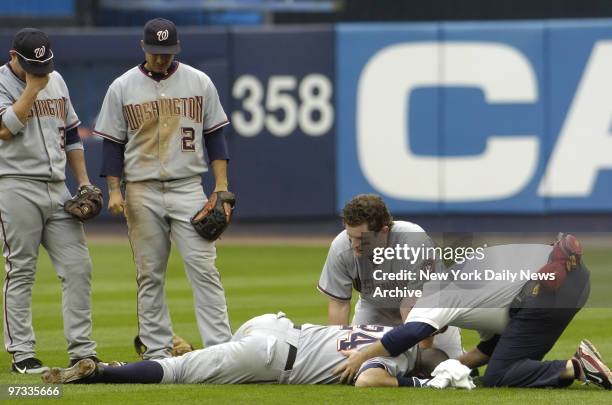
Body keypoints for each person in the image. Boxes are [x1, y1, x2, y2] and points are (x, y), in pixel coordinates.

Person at [93, 18, 232, 359]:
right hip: (141, 189)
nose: (161, 59)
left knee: (204, 267)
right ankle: (157, 350)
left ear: (177, 49)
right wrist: (114, 190)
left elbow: (215, 137)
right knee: (149, 273)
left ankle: (222, 348)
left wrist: (221, 188)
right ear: (143, 47)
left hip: (188, 187)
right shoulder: (122, 86)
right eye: (156, 52)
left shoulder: (199, 81)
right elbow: (112, 144)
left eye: (167, 52)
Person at [334, 236, 612, 390]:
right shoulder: (462, 287)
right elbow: (492, 346)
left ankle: (576, 367)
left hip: (547, 292)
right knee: (509, 363)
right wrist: (453, 368)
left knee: (499, 376)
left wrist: (363, 355)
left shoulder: (434, 294)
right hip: (574, 280)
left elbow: (412, 333)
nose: (411, 317)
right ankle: (572, 368)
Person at [0, 28, 100, 373]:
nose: (40, 70)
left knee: (78, 267)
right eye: (32, 64)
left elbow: (71, 133)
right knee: (21, 270)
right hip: (14, 184)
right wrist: (31, 88)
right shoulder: (3, 82)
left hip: (58, 186)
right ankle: (22, 354)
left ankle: (82, 351)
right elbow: (5, 128)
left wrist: (84, 182)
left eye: (44, 64)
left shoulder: (55, 79)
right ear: (14, 57)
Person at [42, 312, 449, 388]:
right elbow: (370, 382)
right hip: (273, 355)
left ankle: (199, 352)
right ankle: (103, 371)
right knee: (179, 372)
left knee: (207, 363)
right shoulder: (393, 359)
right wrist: (417, 385)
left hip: (271, 326)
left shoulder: (388, 332)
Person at [318, 194, 463, 359]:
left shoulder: (415, 242)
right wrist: (336, 354)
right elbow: (339, 305)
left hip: (431, 312)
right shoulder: (341, 247)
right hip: (375, 309)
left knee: (448, 369)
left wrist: (421, 360)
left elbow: (420, 309)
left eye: (360, 238)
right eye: (350, 237)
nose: (354, 245)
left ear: (384, 231)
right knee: (350, 362)